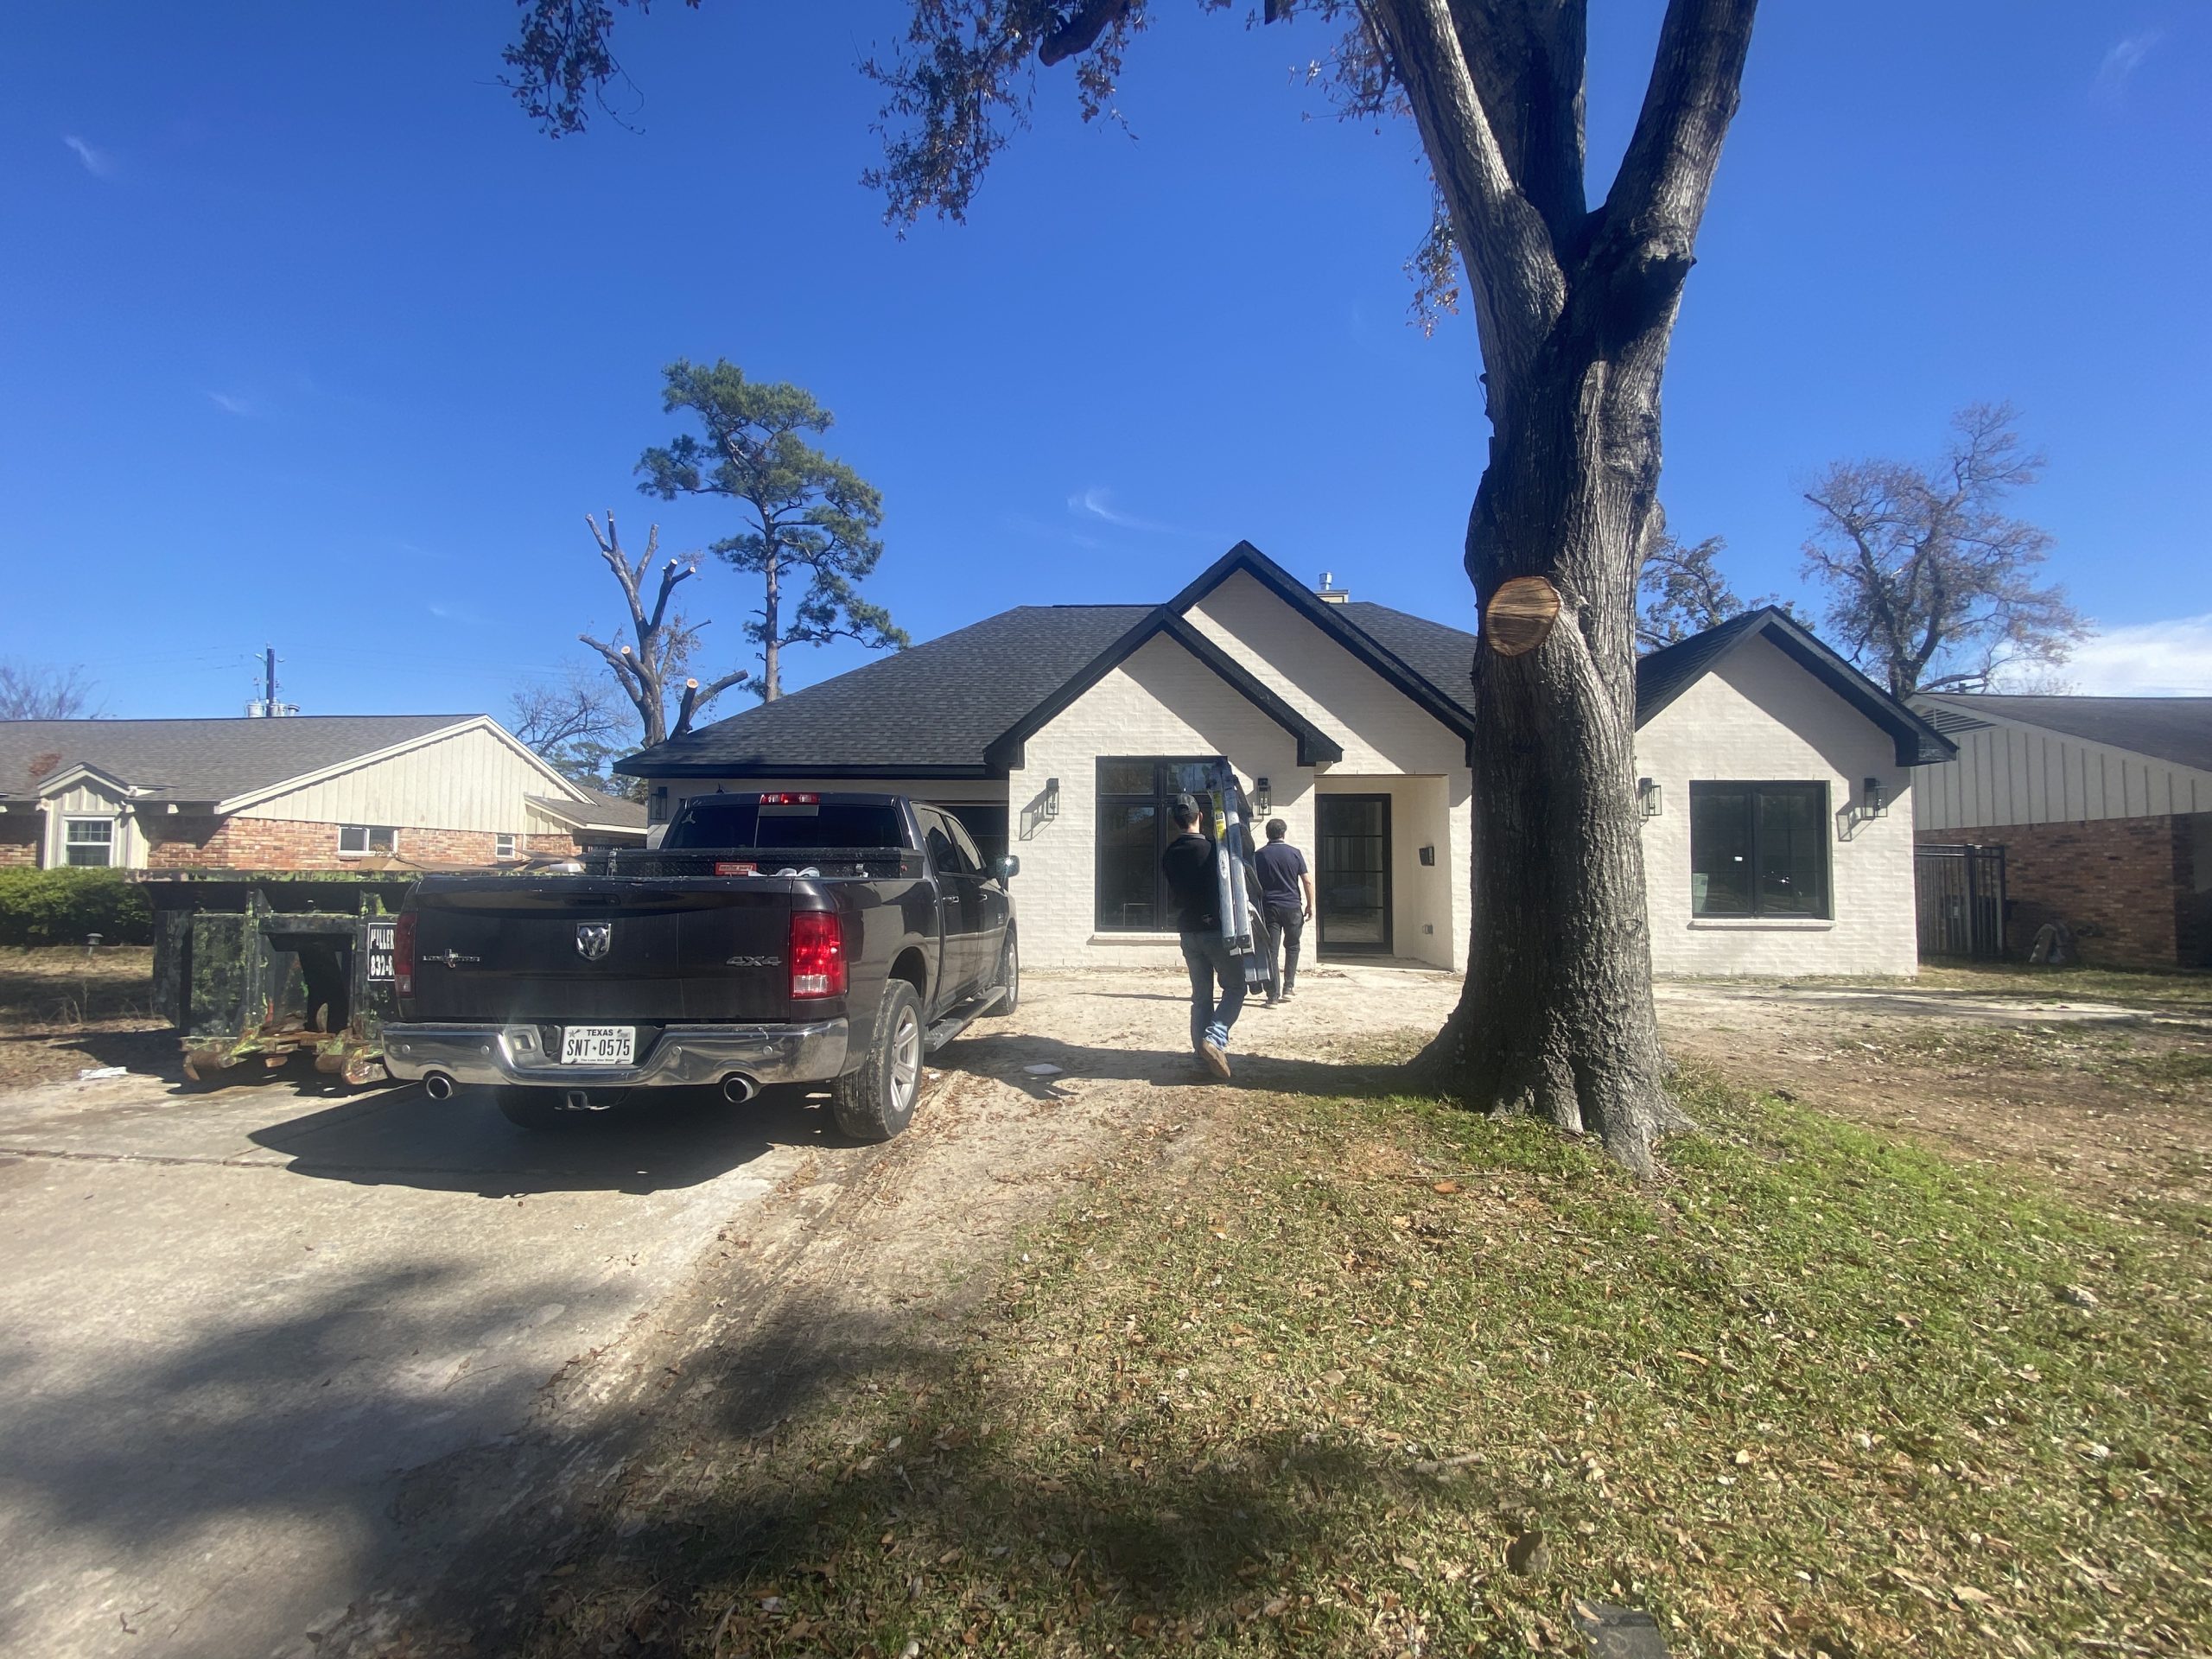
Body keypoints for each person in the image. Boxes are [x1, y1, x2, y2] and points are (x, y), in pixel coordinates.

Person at [1160, 798, 1243, 1078]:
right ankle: (1215, 1038)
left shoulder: (1170, 853)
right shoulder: (1212, 850)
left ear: (1175, 821)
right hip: (1215, 929)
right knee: (1235, 988)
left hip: (1188, 931)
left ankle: (1201, 1057)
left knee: (1201, 997)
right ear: (1201, 816)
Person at [1254, 817, 1313, 1005]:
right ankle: (1289, 987)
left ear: (1267, 834)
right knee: (1293, 946)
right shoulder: (1294, 854)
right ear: (1284, 833)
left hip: (1270, 907)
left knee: (1272, 950)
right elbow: (1307, 881)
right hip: (1292, 906)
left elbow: (1252, 882)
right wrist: (1311, 904)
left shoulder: (1259, 855)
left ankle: (1272, 996)